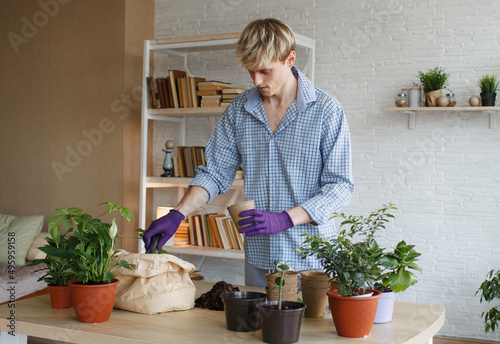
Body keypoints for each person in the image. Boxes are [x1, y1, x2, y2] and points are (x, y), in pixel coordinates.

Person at [143, 18, 354, 288]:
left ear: (290, 58)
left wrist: (286, 218)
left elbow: (340, 187)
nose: (257, 81)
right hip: (259, 256)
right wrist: (178, 213)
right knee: (256, 328)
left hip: (312, 260)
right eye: (251, 71)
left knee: (312, 331)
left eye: (265, 71)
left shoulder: (326, 111)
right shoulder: (239, 109)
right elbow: (215, 173)